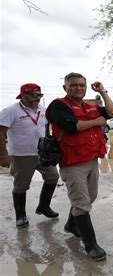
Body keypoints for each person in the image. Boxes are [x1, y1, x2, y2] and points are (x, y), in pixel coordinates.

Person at [46, 72, 113, 261]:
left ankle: (72, 224)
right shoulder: (58, 105)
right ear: (65, 88)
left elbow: (112, 113)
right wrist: (96, 122)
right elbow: (72, 126)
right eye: (73, 85)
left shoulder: (89, 105)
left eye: (81, 85)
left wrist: (102, 91)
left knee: (90, 196)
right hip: (72, 162)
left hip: (91, 159)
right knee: (82, 203)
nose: (78, 88)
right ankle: (91, 245)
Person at [0, 83, 60, 228]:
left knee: (53, 177)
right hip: (21, 155)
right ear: (22, 96)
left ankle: (44, 206)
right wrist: (3, 155)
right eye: (33, 95)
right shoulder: (11, 111)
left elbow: (46, 128)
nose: (37, 98)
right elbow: (1, 132)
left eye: (39, 95)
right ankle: (20, 215)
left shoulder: (44, 110)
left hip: (42, 153)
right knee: (21, 185)